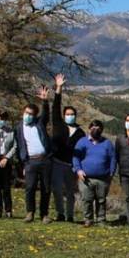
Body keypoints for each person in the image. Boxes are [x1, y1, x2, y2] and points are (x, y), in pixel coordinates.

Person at [50, 74, 85, 223]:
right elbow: (55, 107)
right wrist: (59, 88)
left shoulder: (80, 132)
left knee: (71, 192)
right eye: (67, 114)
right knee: (57, 190)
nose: (70, 116)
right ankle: (60, 213)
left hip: (71, 166)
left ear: (75, 116)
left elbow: (84, 151)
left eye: (72, 114)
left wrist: (80, 168)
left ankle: (70, 215)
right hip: (57, 163)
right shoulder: (59, 125)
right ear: (64, 116)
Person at [15, 86, 52, 223]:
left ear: (35, 116)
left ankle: (44, 214)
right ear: (23, 112)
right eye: (26, 113)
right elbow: (19, 146)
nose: (28, 116)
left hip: (45, 160)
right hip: (30, 161)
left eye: (31, 114)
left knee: (46, 188)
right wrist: (23, 163)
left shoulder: (39, 123)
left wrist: (45, 101)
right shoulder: (18, 128)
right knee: (29, 187)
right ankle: (30, 212)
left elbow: (46, 114)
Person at [73, 119, 117, 227]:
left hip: (103, 177)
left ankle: (101, 220)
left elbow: (113, 158)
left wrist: (111, 172)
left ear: (101, 130)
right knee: (86, 199)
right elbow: (76, 157)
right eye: (93, 128)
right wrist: (78, 170)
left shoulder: (107, 143)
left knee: (101, 200)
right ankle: (88, 220)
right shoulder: (82, 141)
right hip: (85, 178)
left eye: (98, 128)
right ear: (89, 129)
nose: (95, 130)